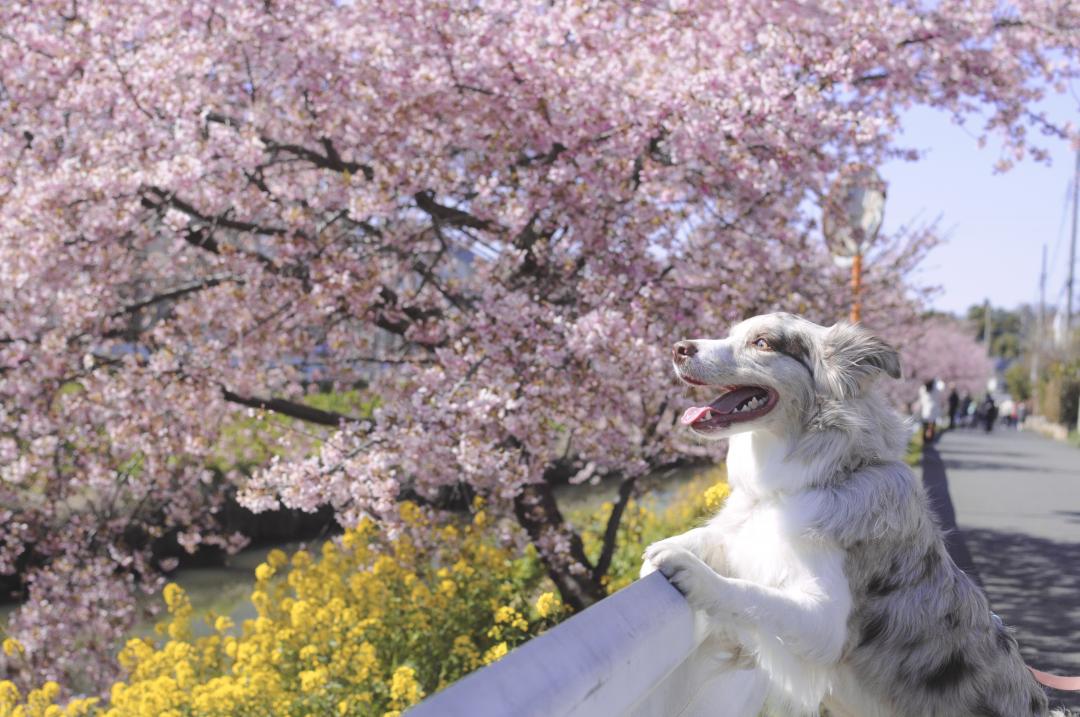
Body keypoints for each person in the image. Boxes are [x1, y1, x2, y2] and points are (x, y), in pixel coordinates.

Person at [918, 379, 941, 443]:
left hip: (926, 410)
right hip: (934, 409)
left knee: (925, 426)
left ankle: (925, 439)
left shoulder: (922, 389)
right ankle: (930, 439)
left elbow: (922, 400)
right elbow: (938, 397)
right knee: (932, 426)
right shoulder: (936, 389)